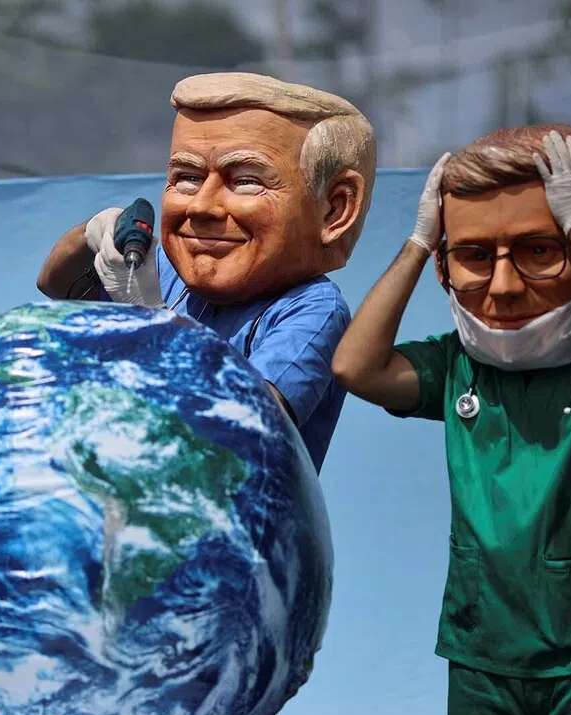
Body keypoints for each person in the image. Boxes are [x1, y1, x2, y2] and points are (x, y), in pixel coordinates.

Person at [331, 126, 571, 715]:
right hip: (485, 658)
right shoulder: (457, 370)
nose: (502, 287)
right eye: (475, 256)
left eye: (538, 250)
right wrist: (422, 243)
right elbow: (355, 367)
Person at [36, 71, 377, 474]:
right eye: (188, 178)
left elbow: (237, 431)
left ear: (334, 209)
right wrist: (93, 234)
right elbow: (55, 285)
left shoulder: (311, 309)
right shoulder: (167, 270)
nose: (202, 206)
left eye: (246, 181)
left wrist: (152, 322)